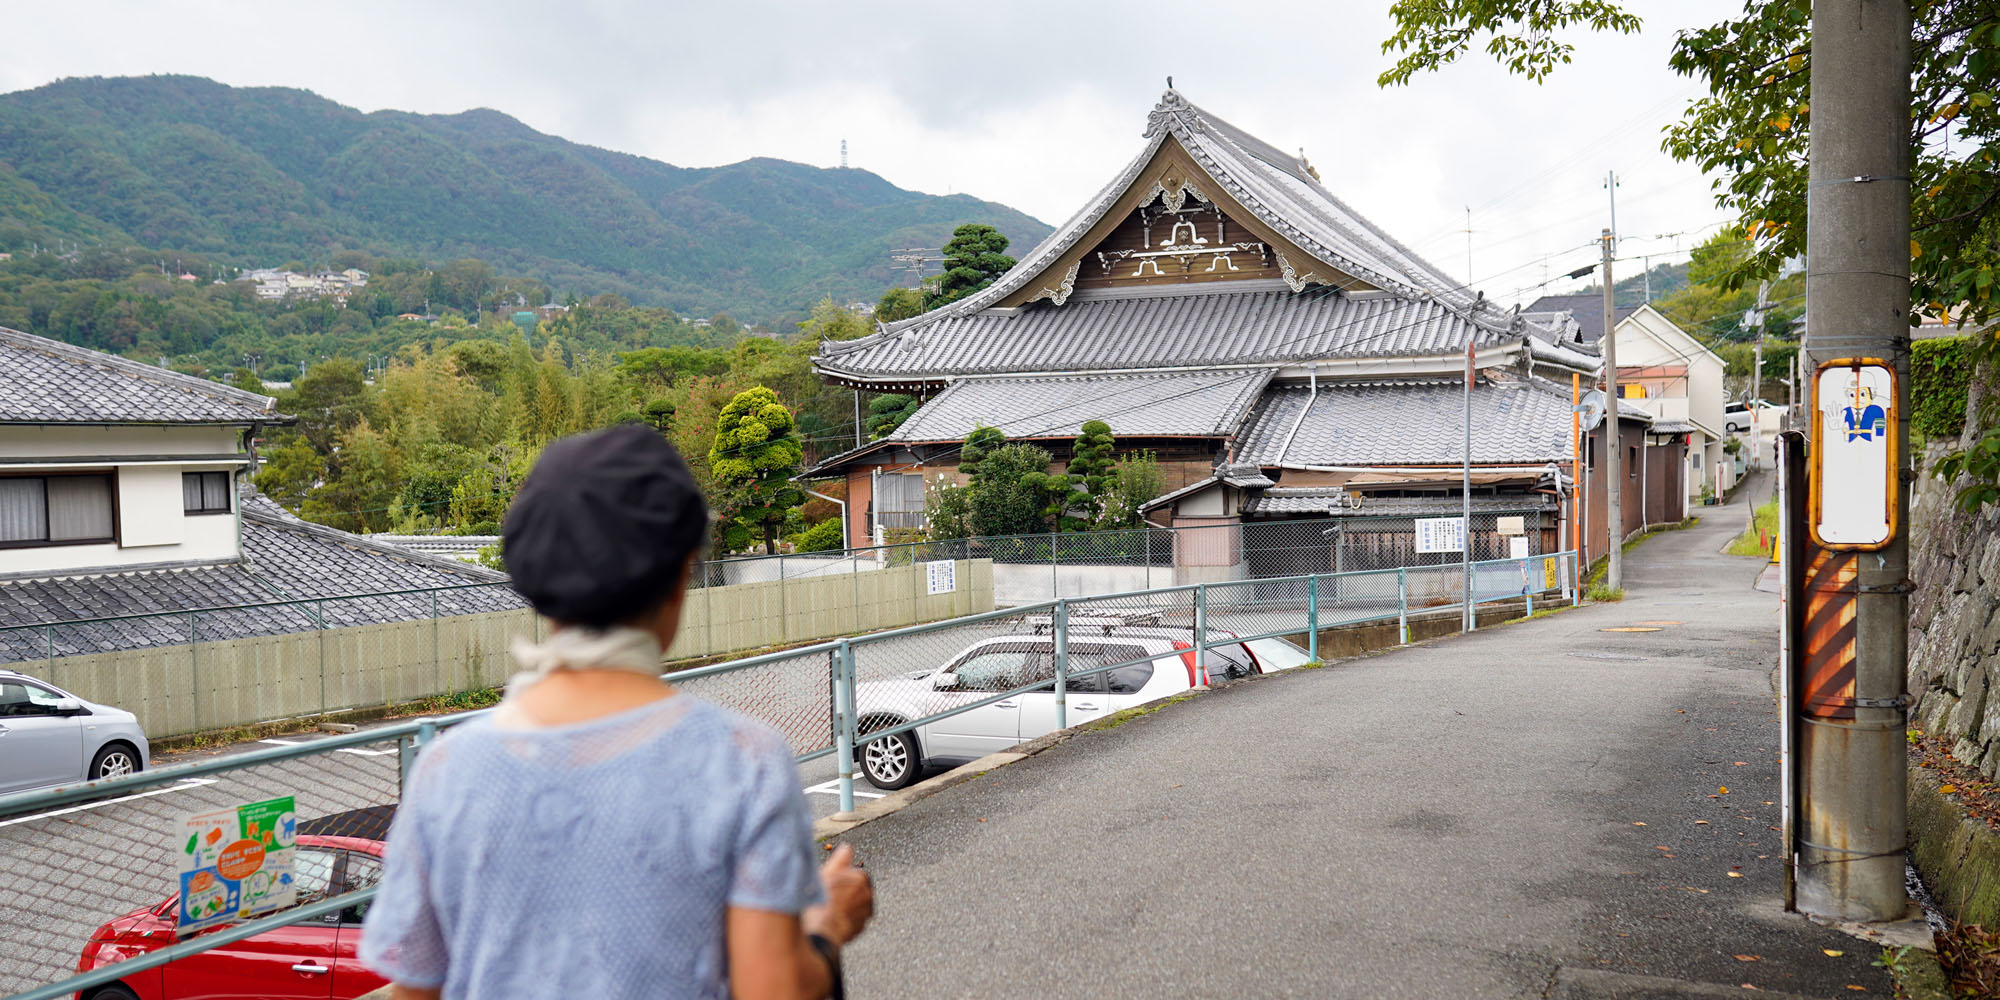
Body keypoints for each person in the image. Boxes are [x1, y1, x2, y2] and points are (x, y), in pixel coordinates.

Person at [360, 424, 873, 999]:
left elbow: (416, 989)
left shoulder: (445, 771)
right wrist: (826, 926)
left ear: (532, 577)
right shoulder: (743, 762)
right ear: (681, 574)